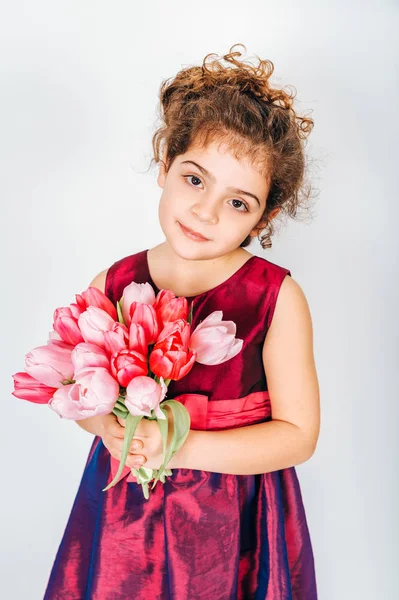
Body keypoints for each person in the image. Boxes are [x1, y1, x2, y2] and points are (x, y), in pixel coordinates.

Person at [43, 43, 320, 599]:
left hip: (233, 522)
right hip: (124, 514)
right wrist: (112, 429)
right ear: (166, 164)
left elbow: (299, 436)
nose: (206, 211)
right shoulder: (113, 285)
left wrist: (178, 445)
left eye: (238, 202)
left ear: (263, 216)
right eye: (196, 179)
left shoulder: (275, 297)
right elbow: (79, 399)